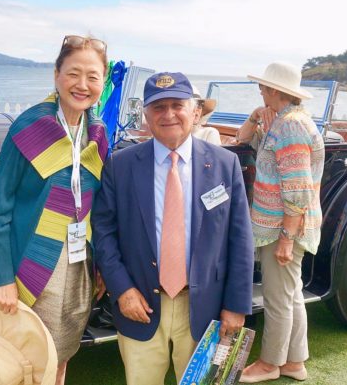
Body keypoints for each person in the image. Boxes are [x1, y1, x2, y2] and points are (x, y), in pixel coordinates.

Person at [92, 71, 254, 385]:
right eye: (158, 107)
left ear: (195, 112)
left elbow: (240, 240)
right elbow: (104, 232)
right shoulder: (120, 165)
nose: (168, 114)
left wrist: (236, 305)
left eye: (177, 105)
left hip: (205, 309)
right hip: (139, 306)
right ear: (146, 117)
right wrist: (122, 289)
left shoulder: (225, 164)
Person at [0, 35, 109, 385]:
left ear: (103, 81)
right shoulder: (28, 128)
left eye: (93, 76)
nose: (82, 85)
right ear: (56, 75)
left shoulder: (97, 133)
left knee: (62, 352)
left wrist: (99, 265)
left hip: (78, 263)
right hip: (33, 263)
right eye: (73, 73)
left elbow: (96, 206)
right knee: (26, 355)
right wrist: (3, 279)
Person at [236, 62, 324, 383]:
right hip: (283, 225)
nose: (260, 90)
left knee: (277, 298)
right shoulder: (282, 122)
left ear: (276, 90)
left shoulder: (290, 126)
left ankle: (270, 363)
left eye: (263, 87)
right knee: (290, 293)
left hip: (281, 228)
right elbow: (244, 139)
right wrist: (255, 117)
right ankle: (294, 362)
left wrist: (286, 236)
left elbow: (298, 187)